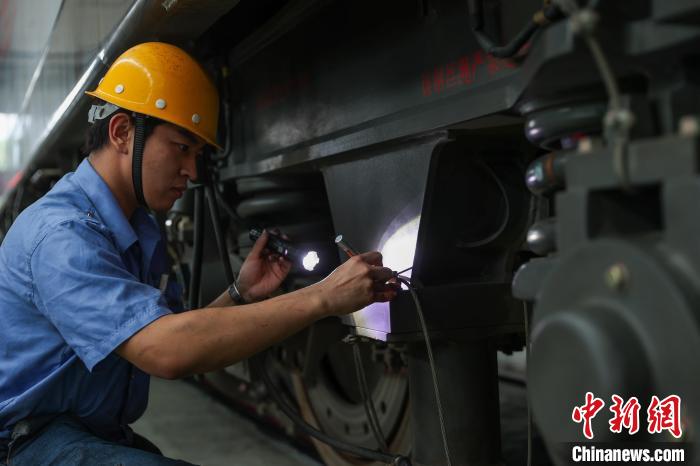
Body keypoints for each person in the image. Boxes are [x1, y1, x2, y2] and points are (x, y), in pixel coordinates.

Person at [0, 42, 397, 465]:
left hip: (80, 434)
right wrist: (323, 297)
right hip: (25, 445)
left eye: (197, 155)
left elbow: (171, 336)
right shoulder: (64, 235)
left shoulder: (135, 229)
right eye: (181, 147)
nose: (191, 171)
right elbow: (166, 352)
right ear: (121, 133)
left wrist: (240, 293)